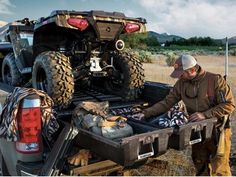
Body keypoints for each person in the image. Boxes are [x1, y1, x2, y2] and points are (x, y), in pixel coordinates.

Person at [139, 54, 235, 176]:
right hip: (197, 129)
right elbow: (167, 103)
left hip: (218, 130)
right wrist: (145, 113)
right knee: (199, 162)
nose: (179, 77)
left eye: (181, 73)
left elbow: (229, 105)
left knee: (219, 167)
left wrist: (205, 114)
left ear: (192, 70)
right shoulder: (181, 83)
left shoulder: (214, 80)